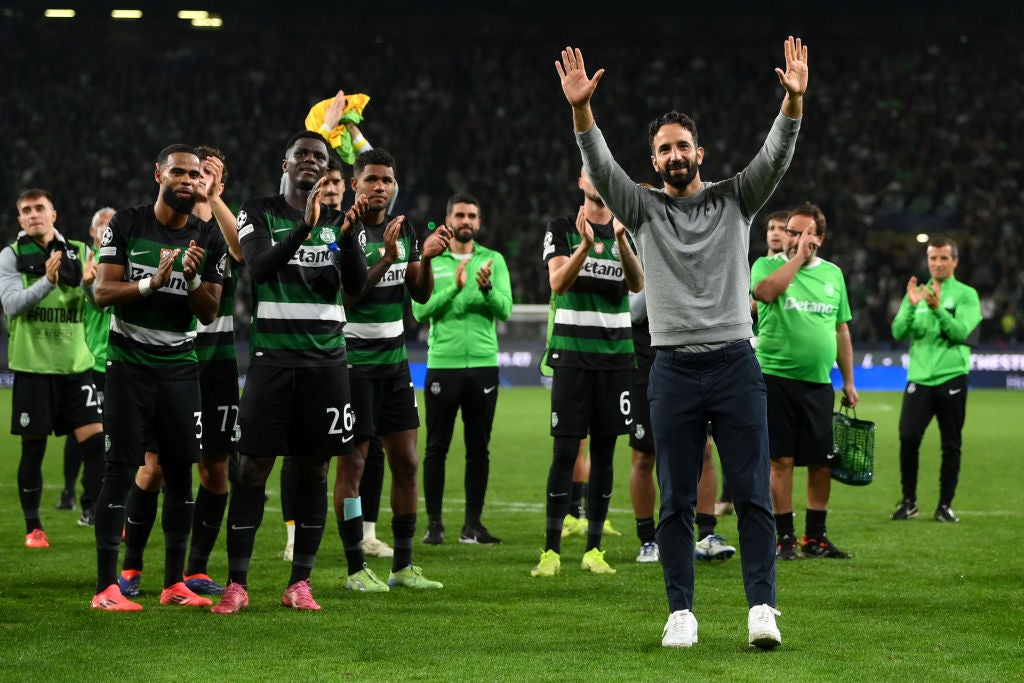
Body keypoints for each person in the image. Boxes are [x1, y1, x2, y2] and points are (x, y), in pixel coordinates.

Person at [555, 36, 807, 648]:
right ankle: (681, 613)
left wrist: (792, 103)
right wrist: (581, 110)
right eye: (663, 148)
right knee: (674, 499)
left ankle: (762, 610)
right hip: (671, 368)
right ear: (655, 159)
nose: (674, 155)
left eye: (682, 146)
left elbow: (775, 157)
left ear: (700, 153)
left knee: (749, 493)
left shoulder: (735, 200)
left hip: (734, 363)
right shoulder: (639, 209)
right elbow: (602, 164)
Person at [210, 131, 368, 615]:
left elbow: (356, 288)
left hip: (325, 364)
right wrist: (305, 227)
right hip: (272, 362)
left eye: (318, 157)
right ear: (285, 162)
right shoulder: (257, 212)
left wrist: (345, 239)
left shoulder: (343, 221)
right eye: (301, 154)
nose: (309, 162)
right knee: (253, 467)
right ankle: (238, 582)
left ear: (326, 169)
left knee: (316, 469)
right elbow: (257, 267)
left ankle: (300, 582)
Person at [89, 145, 226, 611]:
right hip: (129, 366)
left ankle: (173, 583)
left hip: (181, 368)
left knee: (180, 472)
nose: (188, 180)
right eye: (179, 172)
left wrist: (188, 281)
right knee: (121, 469)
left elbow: (209, 312)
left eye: (195, 174)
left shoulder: (209, 238)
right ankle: (107, 587)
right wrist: (150, 282)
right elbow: (102, 292)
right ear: (158, 174)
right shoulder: (126, 224)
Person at [332, 148, 450, 592]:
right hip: (353, 364)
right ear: (355, 183)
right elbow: (351, 295)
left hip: (396, 364)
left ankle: (402, 566)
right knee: (354, 466)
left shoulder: (406, 226)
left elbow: (418, 295)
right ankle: (354, 567)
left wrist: (428, 257)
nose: (380, 186)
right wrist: (390, 255)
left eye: (387, 180)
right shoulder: (343, 230)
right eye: (372, 179)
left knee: (407, 462)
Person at [530, 168, 644, 579]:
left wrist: (616, 240)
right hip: (573, 358)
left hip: (615, 361)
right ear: (580, 182)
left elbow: (637, 283)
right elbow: (558, 282)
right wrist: (585, 247)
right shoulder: (560, 228)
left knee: (606, 453)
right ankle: (551, 551)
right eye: (589, 173)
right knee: (564, 452)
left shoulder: (626, 230)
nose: (597, 177)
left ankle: (594, 549)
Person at [751, 203, 858, 560]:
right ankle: (785, 538)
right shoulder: (767, 265)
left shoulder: (833, 275)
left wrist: (849, 382)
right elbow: (764, 294)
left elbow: (841, 329)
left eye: (802, 232)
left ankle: (816, 538)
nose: (793, 237)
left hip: (817, 382)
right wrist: (796, 259)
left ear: (820, 238)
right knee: (780, 461)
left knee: (820, 462)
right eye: (791, 231)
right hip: (774, 378)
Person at [1, 189, 105, 549]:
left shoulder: (79, 250)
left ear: (53, 213)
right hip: (33, 369)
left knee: (96, 444)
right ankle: (34, 528)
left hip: (76, 368)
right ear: (20, 220)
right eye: (26, 210)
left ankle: (102, 516)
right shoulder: (11, 256)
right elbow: (12, 306)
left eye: (39, 208)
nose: (33, 215)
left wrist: (90, 287)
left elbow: (98, 303)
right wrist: (47, 281)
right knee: (34, 448)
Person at [412, 192, 513, 544]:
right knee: (436, 447)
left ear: (479, 222)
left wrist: (485, 290)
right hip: (443, 364)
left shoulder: (494, 260)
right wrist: (454, 289)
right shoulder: (432, 259)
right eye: (459, 215)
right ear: (448, 219)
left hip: (484, 365)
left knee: (478, 448)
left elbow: (504, 310)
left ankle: (473, 526)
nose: (465, 221)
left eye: (471, 215)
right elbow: (420, 312)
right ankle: (434, 526)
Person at [628, 289, 736, 564]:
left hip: (690, 363)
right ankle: (648, 540)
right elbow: (634, 311)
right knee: (644, 454)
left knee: (706, 448)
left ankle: (706, 535)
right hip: (644, 364)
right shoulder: (632, 253)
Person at [890, 237, 981, 523]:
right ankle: (909, 501)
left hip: (952, 376)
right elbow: (896, 332)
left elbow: (960, 332)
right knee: (908, 437)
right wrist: (910, 307)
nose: (937, 264)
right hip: (919, 377)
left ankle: (944, 505)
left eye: (943, 258)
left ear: (955, 261)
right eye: (933, 259)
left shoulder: (967, 295)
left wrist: (936, 309)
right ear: (927, 261)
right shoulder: (915, 292)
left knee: (950, 444)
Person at [719, 208, 790, 517]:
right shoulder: (757, 267)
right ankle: (728, 494)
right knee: (735, 427)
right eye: (771, 228)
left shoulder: (791, 271)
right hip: (748, 352)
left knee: (764, 435)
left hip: (775, 357)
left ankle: (760, 498)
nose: (774, 233)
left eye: (780, 228)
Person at [58, 206, 115, 525]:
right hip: (90, 359)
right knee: (84, 434)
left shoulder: (126, 261)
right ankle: (75, 494)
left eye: (112, 225)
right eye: (102, 225)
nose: (107, 230)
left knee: (114, 436)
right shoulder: (84, 264)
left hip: (121, 362)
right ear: (93, 232)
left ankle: (106, 502)